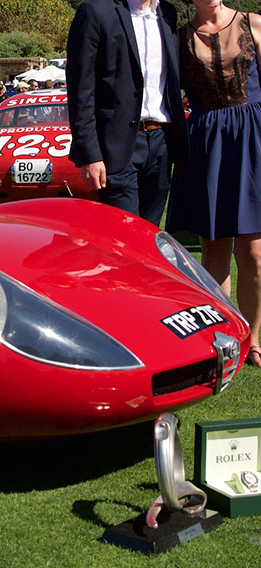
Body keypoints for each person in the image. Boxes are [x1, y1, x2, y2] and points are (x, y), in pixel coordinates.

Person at [166, 2, 261, 364]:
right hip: (208, 145)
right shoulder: (179, 39)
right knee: (214, 249)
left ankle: (253, 339)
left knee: (254, 252)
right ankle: (226, 337)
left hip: (253, 140)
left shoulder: (253, 24)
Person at [66, 0, 187, 226]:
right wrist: (89, 154)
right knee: (122, 236)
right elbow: (80, 88)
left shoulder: (167, 13)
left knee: (150, 235)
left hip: (162, 142)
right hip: (116, 146)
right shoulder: (95, 11)